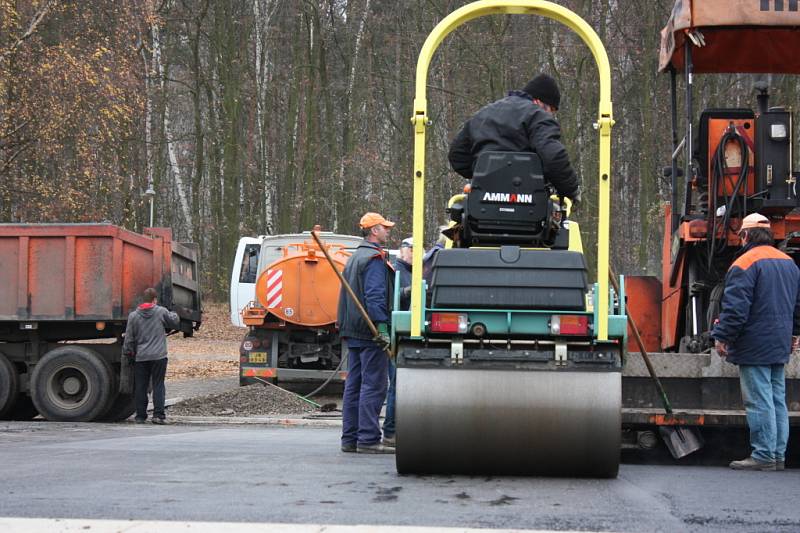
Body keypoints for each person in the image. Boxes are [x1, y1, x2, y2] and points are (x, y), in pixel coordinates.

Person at [711, 213, 800, 471]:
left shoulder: (745, 262)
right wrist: (794, 334)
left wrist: (723, 336)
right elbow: (797, 306)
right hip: (779, 342)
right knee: (776, 399)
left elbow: (736, 308)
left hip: (754, 343)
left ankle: (762, 456)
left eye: (741, 237)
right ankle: (777, 455)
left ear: (746, 236)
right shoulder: (789, 263)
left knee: (759, 400)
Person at [447, 73, 581, 204]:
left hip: (483, 205)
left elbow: (457, 155)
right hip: (529, 206)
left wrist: (484, 177)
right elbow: (553, 156)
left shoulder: (483, 114)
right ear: (538, 101)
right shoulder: (537, 116)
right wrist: (571, 190)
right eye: (551, 109)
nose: (550, 114)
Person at [338, 212, 396, 454]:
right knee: (374, 385)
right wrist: (381, 326)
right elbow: (374, 296)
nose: (388, 231)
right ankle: (369, 439)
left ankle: (350, 439)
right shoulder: (373, 258)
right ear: (374, 231)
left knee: (354, 385)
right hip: (370, 331)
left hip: (353, 330)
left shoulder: (354, 258)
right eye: (384, 228)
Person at [122, 287, 180, 424]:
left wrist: (128, 353)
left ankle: (141, 416)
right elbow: (174, 321)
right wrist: (175, 313)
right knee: (158, 384)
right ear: (155, 300)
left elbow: (129, 338)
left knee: (141, 386)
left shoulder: (133, 316)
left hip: (141, 357)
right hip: (159, 356)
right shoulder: (160, 311)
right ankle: (158, 415)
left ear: (143, 300)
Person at [382, 236, 413, 446]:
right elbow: (392, 298)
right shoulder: (396, 271)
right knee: (397, 384)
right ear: (403, 250)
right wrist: (408, 292)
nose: (416, 254)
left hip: (405, 333)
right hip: (398, 333)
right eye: (413, 249)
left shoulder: (410, 272)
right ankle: (390, 431)